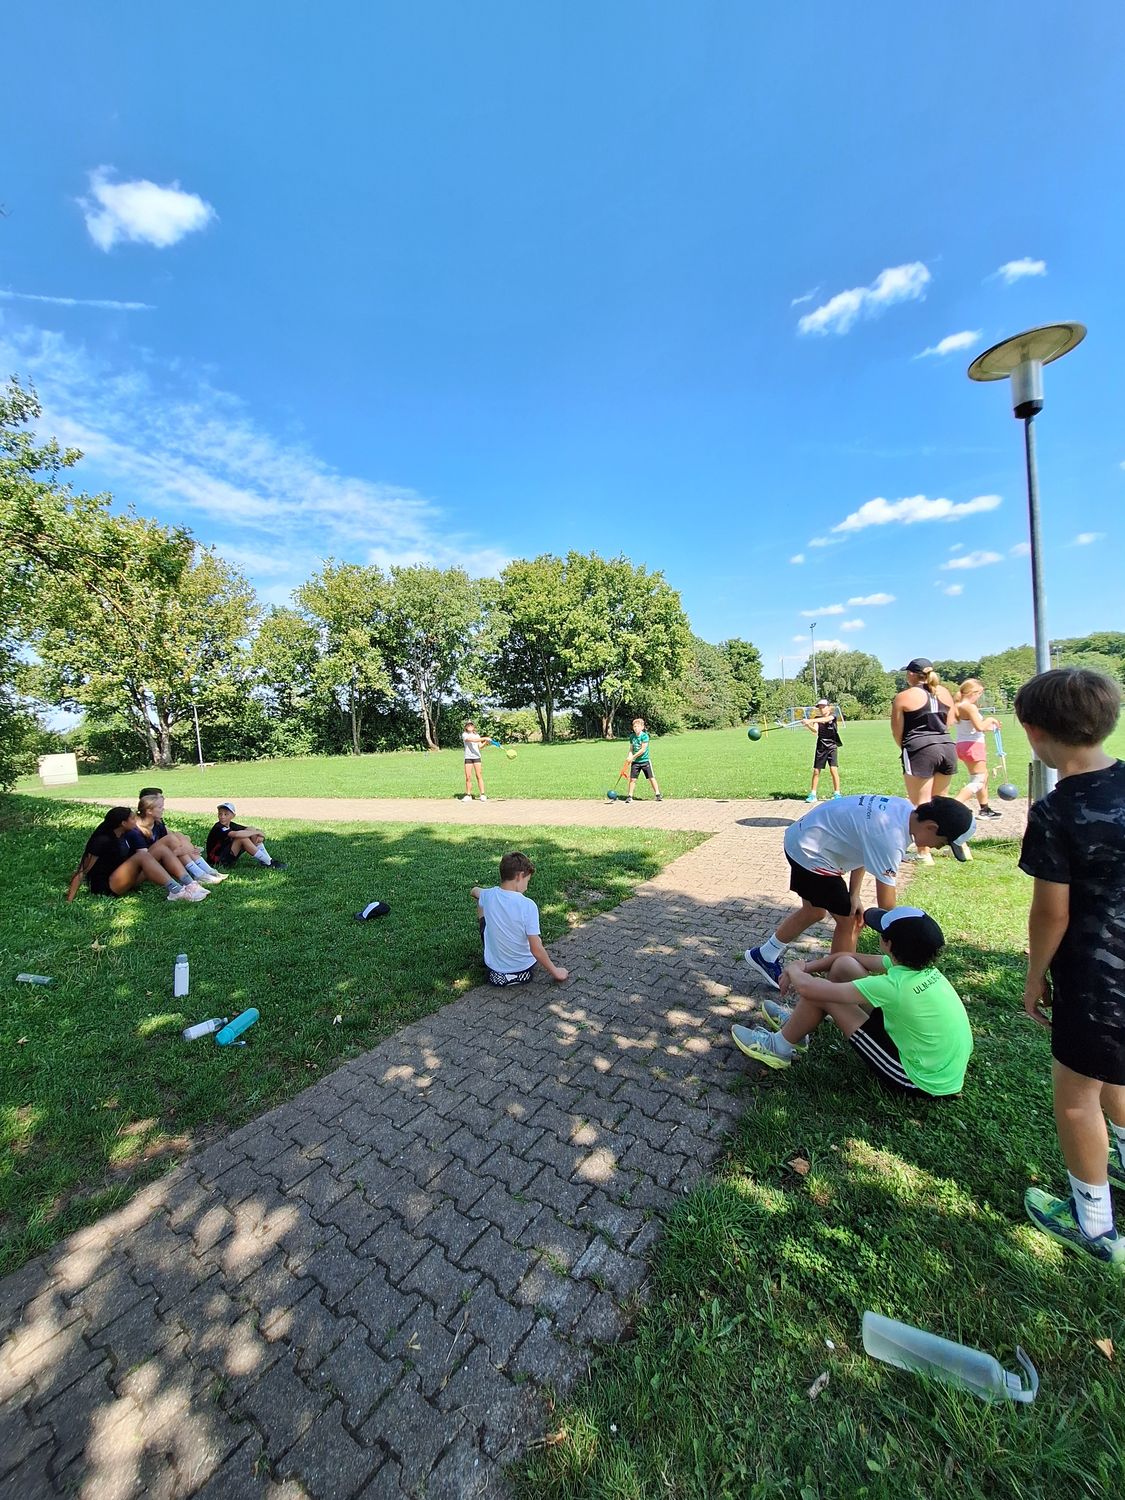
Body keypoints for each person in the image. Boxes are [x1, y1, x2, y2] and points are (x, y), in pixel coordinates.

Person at [1015, 667, 1125, 1269]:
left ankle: (1094, 1223)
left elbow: (1051, 913)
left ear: (1034, 732)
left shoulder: (1055, 811)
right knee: (1116, 1074)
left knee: (1078, 1096)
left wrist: (1036, 975)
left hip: (1099, 980)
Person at [731, 906, 973, 1098]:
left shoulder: (893, 986)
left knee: (822, 993)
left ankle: (780, 1047)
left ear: (888, 944)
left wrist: (794, 969)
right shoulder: (917, 967)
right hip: (936, 1065)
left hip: (918, 1079)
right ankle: (797, 1027)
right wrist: (806, 967)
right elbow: (847, 957)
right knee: (844, 967)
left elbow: (808, 988)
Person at [744, 793, 975, 987]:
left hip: (803, 838)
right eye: (943, 843)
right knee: (851, 921)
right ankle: (837, 988)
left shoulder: (902, 810)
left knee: (815, 911)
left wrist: (854, 894)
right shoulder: (891, 837)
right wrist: (907, 948)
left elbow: (865, 846)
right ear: (932, 827)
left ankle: (765, 955)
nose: (937, 848)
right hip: (810, 852)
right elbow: (888, 908)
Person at [891, 658, 959, 864]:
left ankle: (923, 852)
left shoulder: (904, 696)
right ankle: (951, 843)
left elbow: (897, 731)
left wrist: (907, 747)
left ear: (911, 674)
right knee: (941, 801)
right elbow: (950, 722)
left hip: (920, 748)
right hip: (947, 746)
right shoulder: (944, 692)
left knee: (921, 803)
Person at [66, 807, 209, 903]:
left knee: (162, 849)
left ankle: (190, 884)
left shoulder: (126, 833)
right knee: (142, 856)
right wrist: (69, 900)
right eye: (132, 819)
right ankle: (176, 891)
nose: (135, 821)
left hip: (126, 875)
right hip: (108, 885)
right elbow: (82, 870)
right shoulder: (102, 840)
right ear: (123, 823)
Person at [471, 851, 569, 986]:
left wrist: (479, 893)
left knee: (481, 902)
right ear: (519, 876)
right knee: (535, 939)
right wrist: (556, 972)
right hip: (523, 971)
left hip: (494, 973)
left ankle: (495, 950)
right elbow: (536, 949)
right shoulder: (528, 905)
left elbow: (474, 891)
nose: (527, 886)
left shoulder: (488, 895)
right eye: (527, 880)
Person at [127, 789, 228, 884]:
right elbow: (144, 859)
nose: (163, 809)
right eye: (160, 807)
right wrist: (176, 852)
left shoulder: (157, 822)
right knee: (173, 841)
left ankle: (208, 871)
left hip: (160, 857)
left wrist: (185, 847)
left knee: (178, 837)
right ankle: (199, 874)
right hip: (147, 867)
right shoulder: (136, 830)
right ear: (149, 810)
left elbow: (176, 838)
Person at [952, 681, 1003, 820]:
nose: (979, 697)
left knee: (982, 776)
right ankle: (953, 806)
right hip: (973, 746)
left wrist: (990, 727)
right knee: (978, 780)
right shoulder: (970, 707)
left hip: (962, 744)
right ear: (973, 693)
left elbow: (972, 727)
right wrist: (991, 719)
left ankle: (984, 809)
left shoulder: (956, 705)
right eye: (979, 693)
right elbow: (979, 727)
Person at [205, 802, 286, 870]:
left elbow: (250, 829)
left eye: (226, 814)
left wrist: (258, 834)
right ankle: (269, 862)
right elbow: (236, 834)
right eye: (220, 814)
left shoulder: (231, 824)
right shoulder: (219, 827)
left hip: (225, 855)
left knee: (250, 830)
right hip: (216, 861)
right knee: (242, 838)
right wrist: (255, 833)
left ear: (233, 816)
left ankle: (266, 861)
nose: (222, 816)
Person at [802, 699, 843, 803]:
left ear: (829, 707)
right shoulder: (817, 719)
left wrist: (810, 720)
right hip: (821, 746)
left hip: (832, 745)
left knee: (833, 770)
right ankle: (813, 794)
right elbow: (815, 731)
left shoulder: (833, 716)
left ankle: (837, 793)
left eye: (823, 707)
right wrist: (808, 725)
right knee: (816, 771)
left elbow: (826, 719)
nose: (821, 709)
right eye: (820, 708)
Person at [623, 717, 662, 804]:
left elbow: (643, 750)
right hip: (635, 762)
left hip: (645, 761)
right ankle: (629, 796)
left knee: (651, 778)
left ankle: (658, 794)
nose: (636, 728)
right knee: (632, 779)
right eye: (634, 726)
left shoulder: (645, 736)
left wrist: (633, 757)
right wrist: (629, 756)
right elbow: (631, 749)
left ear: (642, 727)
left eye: (638, 726)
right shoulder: (632, 737)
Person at [461, 721, 490, 803]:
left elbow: (480, 746)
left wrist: (486, 742)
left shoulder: (477, 735)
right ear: (466, 727)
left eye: (471, 725)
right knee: (468, 777)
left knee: (479, 775)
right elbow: (472, 740)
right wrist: (485, 738)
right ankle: (468, 795)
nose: (469, 726)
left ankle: (482, 794)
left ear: (473, 727)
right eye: (468, 725)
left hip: (477, 757)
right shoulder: (464, 734)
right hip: (468, 757)